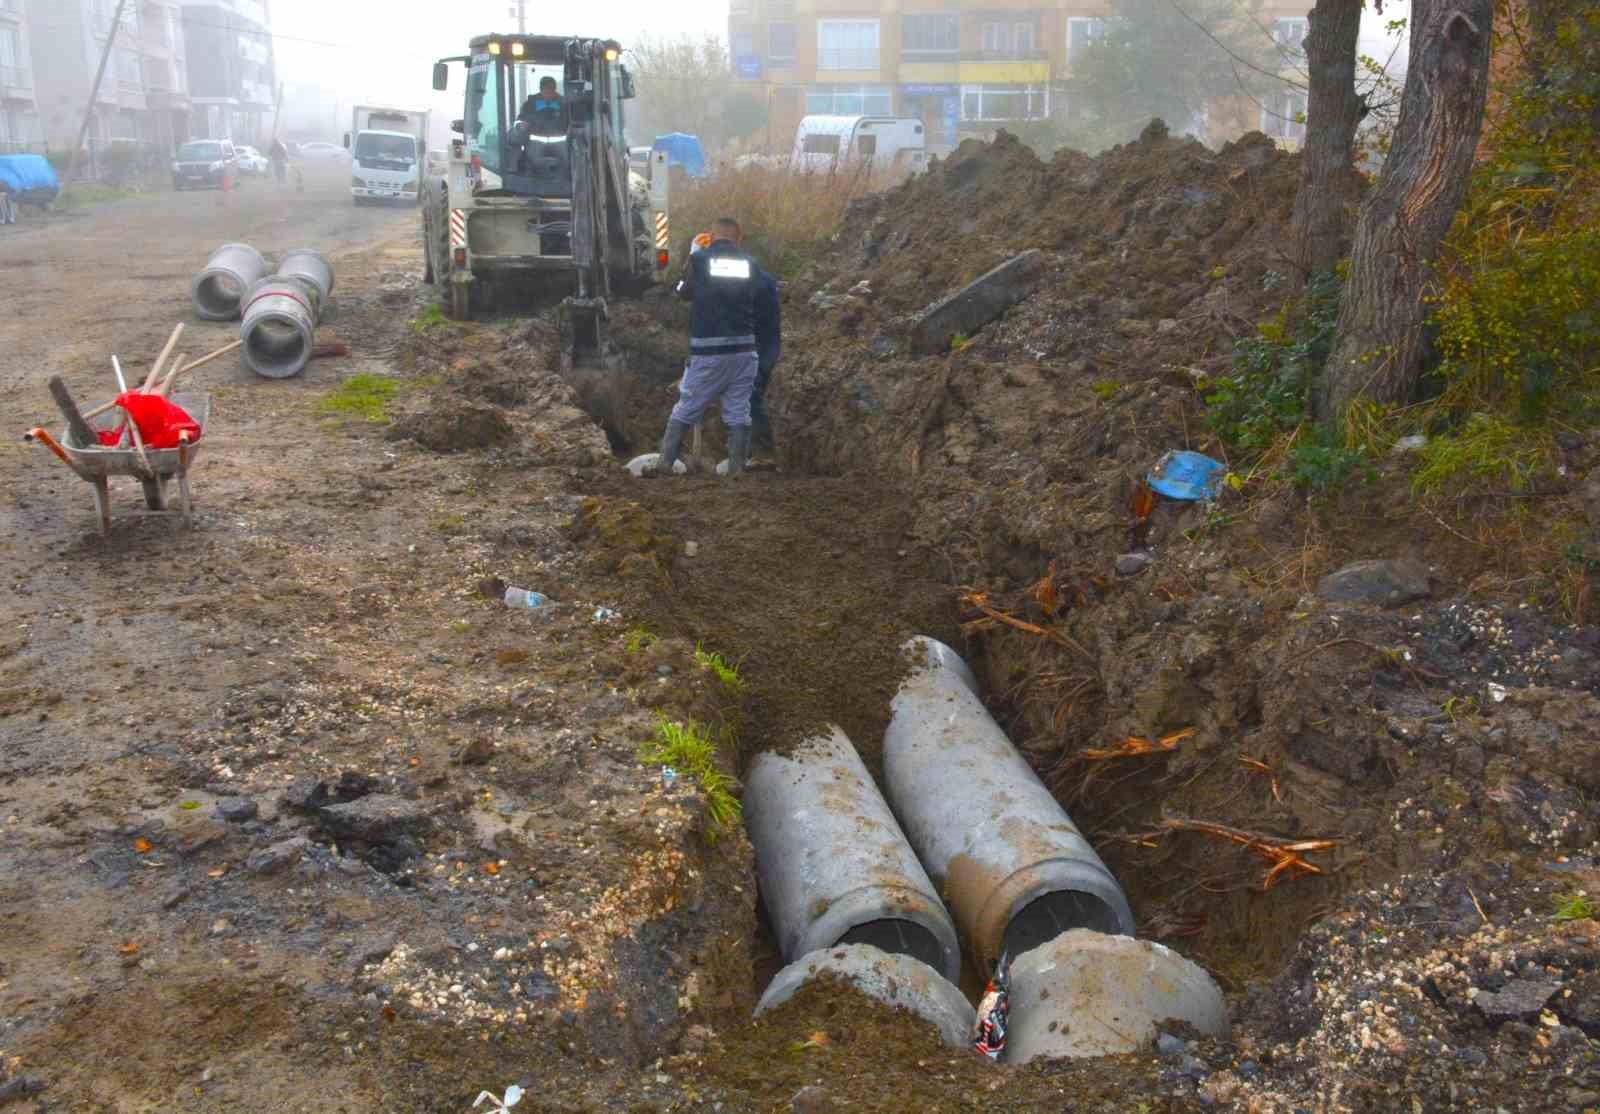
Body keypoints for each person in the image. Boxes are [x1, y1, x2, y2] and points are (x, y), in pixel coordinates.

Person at [651, 217, 767, 477]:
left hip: (709, 351)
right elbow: (759, 295)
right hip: (744, 352)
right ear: (739, 239)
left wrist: (692, 255)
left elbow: (682, 291)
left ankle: (664, 465)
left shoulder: (701, 260)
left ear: (711, 237)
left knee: (687, 407)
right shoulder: (751, 264)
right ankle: (737, 470)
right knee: (739, 411)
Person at [751, 268, 781, 453]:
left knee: (751, 395)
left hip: (760, 346)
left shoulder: (756, 280)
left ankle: (761, 453)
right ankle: (755, 451)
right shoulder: (765, 278)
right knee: (751, 395)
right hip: (767, 345)